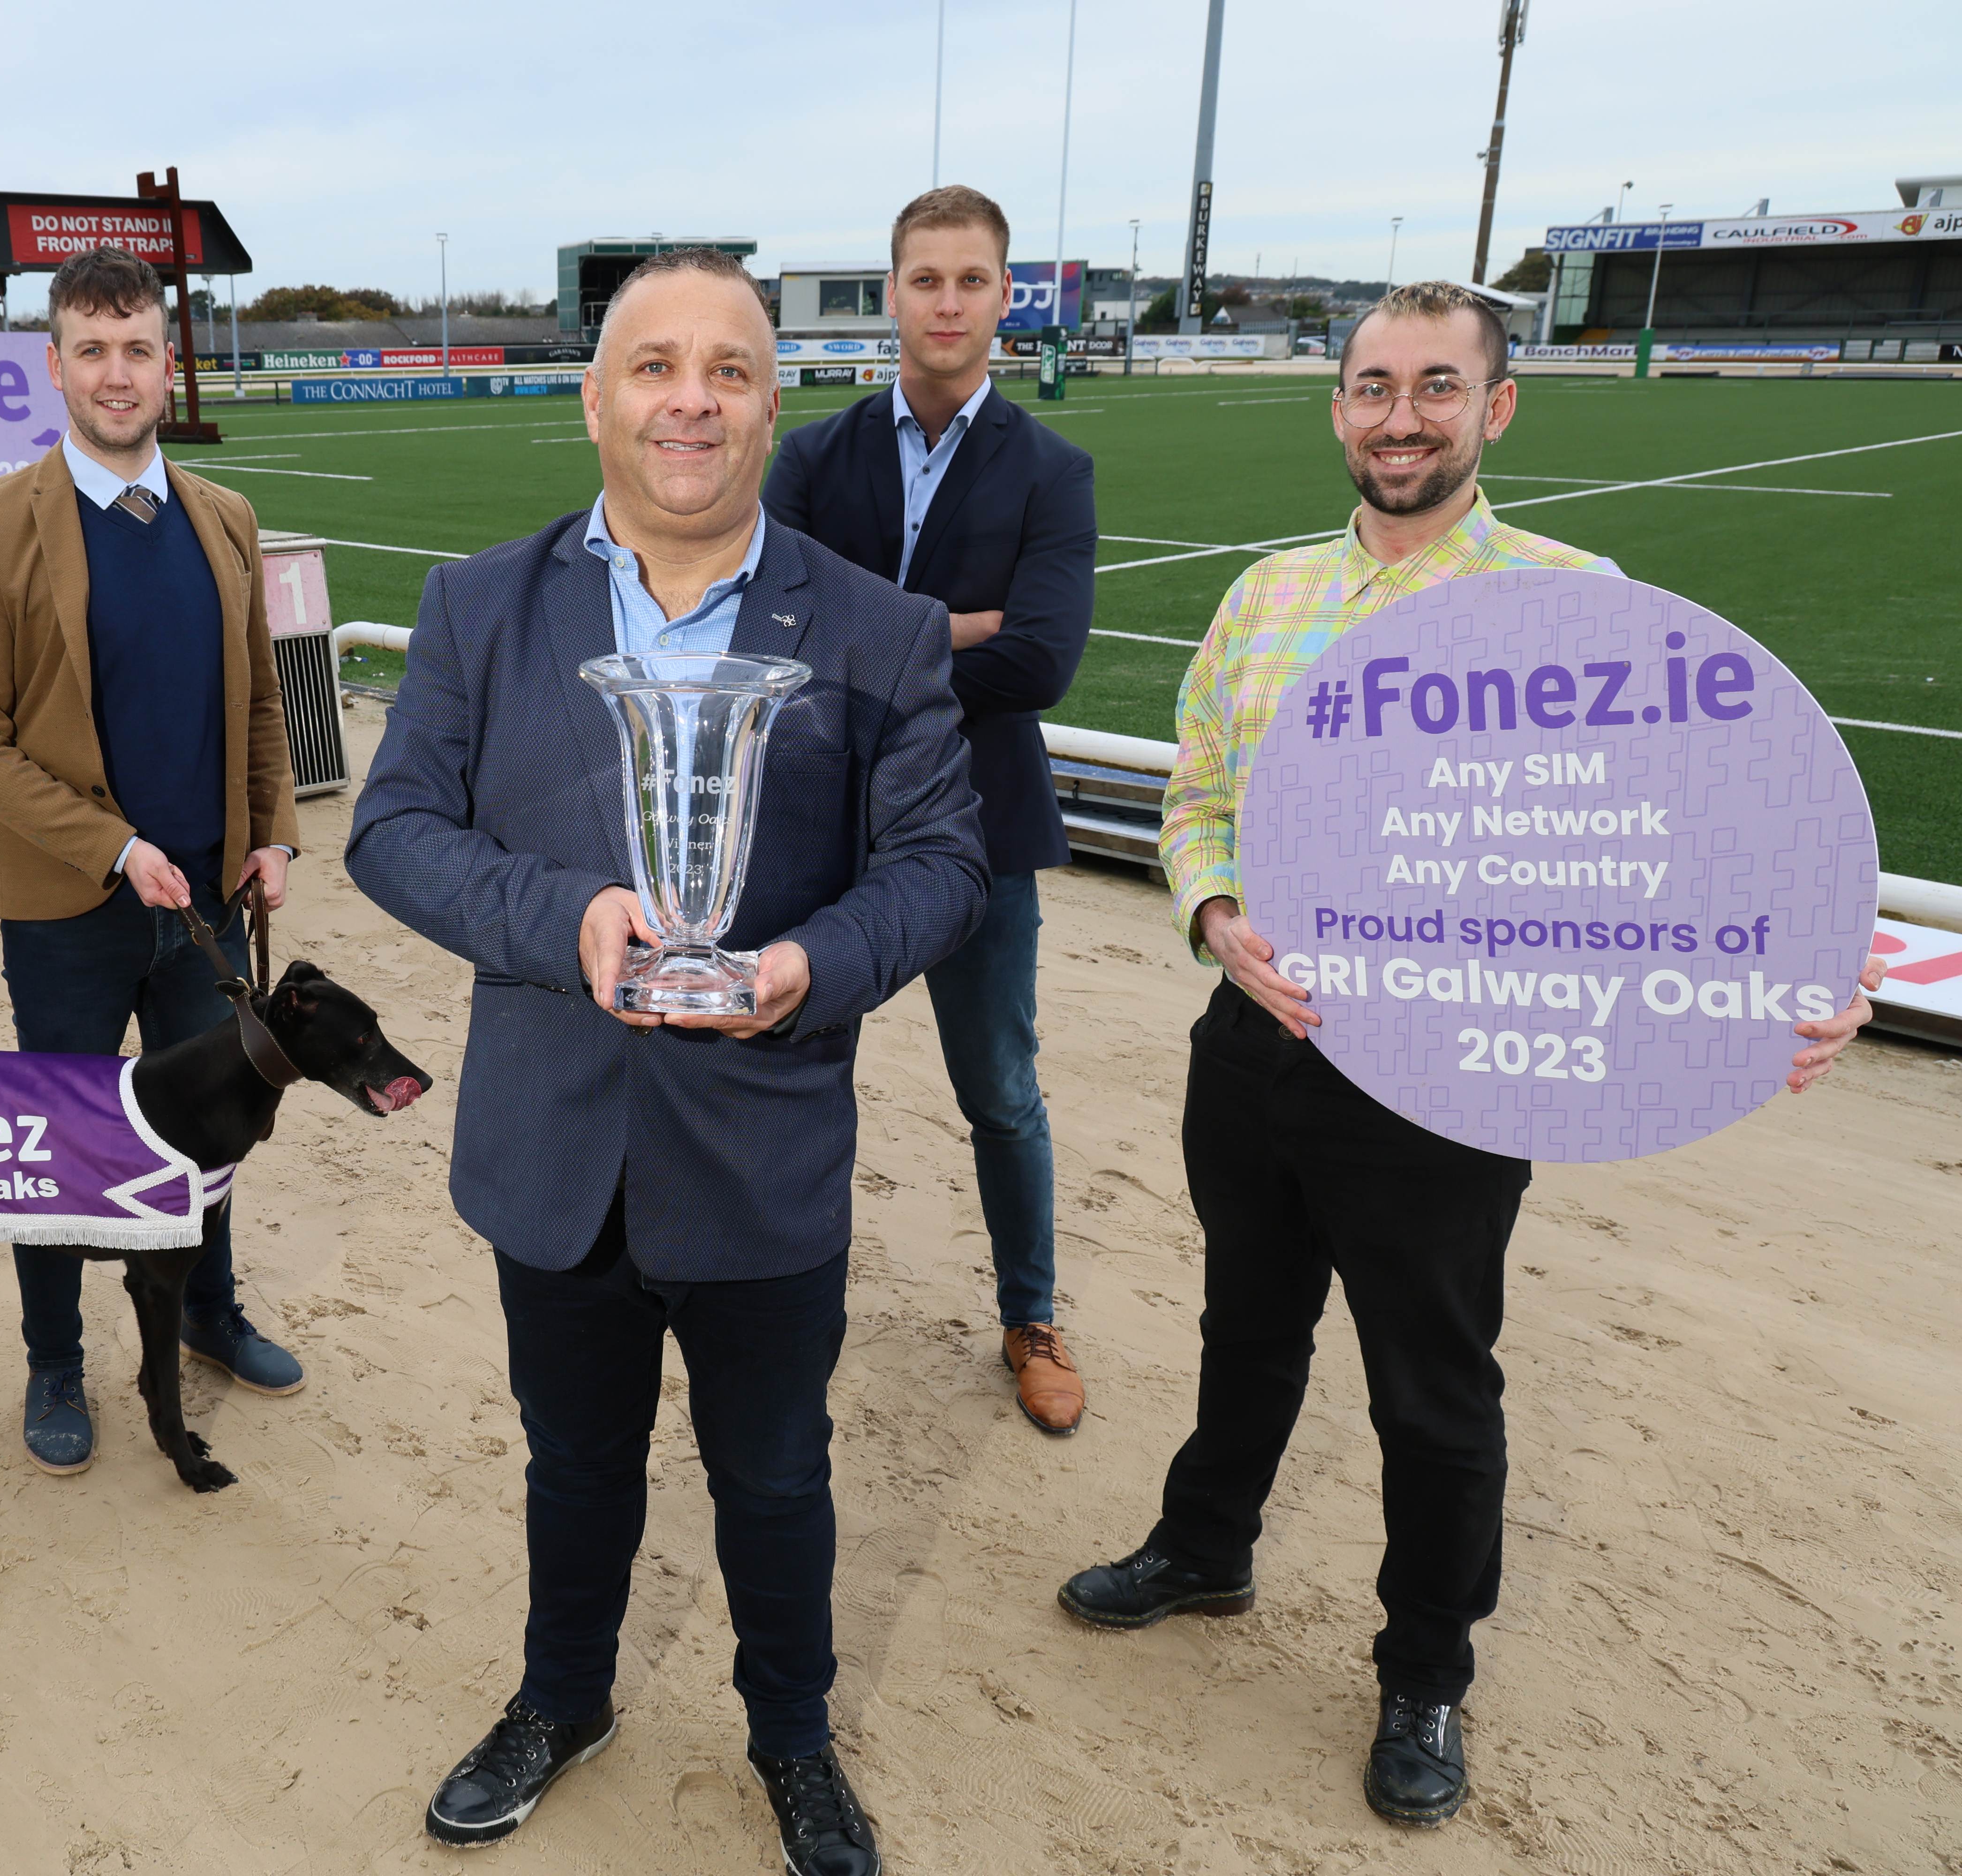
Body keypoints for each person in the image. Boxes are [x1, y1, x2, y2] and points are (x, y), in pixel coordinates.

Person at [1054, 280, 1887, 1827]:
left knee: (1432, 1390)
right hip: (1255, 1049)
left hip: (1447, 1086)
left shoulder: (1582, 600)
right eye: (1375, 386)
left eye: (1438, 386)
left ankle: (1427, 1667)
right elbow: (1195, 806)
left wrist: (1805, 975)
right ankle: (1207, 1546)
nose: (1401, 416)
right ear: (1339, 408)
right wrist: (1218, 914)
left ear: (1495, 409)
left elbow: (1696, 837)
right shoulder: (1264, 596)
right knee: (1248, 1324)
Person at [346, 248, 988, 1876]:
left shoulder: (880, 629)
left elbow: (938, 871)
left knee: (775, 1481)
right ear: (595, 398)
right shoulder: (478, 604)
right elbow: (395, 834)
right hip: (550, 1149)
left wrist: (803, 969)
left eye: (727, 369)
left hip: (764, 1155)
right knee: (575, 1462)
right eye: (653, 365)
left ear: (775, 404)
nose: (689, 398)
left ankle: (794, 1736)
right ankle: (565, 1698)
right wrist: (561, 916)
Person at [0, 246, 307, 1477]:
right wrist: (117, 846)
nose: (117, 372)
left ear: (165, 360)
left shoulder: (226, 519)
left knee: (208, 1130)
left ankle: (208, 1312)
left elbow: (258, 708)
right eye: (92, 350)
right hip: (69, 910)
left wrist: (273, 833)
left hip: (207, 905)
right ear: (56, 365)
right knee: (64, 1146)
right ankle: (55, 1362)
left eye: (138, 347)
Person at [765, 184, 1100, 1434]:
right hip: (819, 822)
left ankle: (1031, 1314)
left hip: (976, 830)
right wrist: (953, 628)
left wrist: (869, 637)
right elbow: (774, 636)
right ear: (892, 292)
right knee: (800, 1073)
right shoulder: (814, 455)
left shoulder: (1051, 469)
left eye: (972, 280)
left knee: (999, 1092)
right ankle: (794, 1307)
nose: (948, 302)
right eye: (926, 279)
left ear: (1003, 296)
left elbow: (1044, 662)